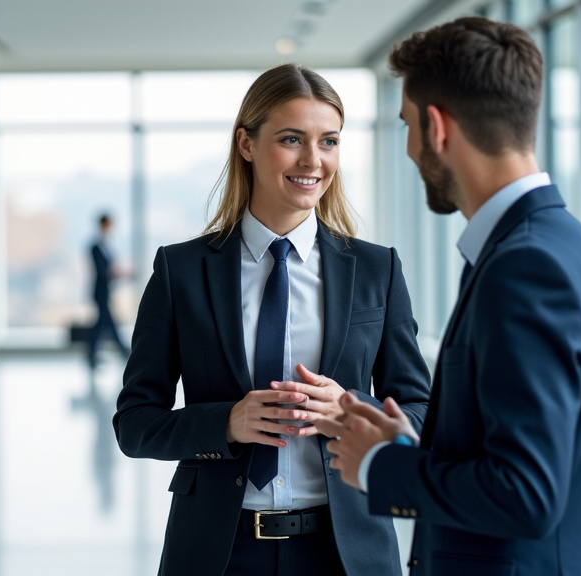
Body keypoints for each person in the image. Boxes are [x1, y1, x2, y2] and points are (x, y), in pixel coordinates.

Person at [315, 17, 581, 576]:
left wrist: (382, 467)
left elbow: (526, 494)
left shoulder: (525, 267)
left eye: (407, 124)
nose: (409, 150)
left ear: (437, 127)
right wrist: (414, 447)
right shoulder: (570, 247)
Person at [113, 63, 432, 576]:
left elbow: (420, 412)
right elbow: (134, 425)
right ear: (246, 144)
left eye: (329, 141)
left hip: (345, 552)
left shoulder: (378, 270)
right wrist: (227, 423)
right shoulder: (182, 271)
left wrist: (352, 409)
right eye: (291, 139)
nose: (314, 160)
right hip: (219, 552)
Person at [87, 213, 130, 368]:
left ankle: (92, 355)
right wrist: (120, 273)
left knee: (100, 325)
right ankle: (124, 351)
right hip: (100, 292)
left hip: (106, 291)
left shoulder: (106, 246)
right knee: (109, 323)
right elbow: (102, 271)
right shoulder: (95, 247)